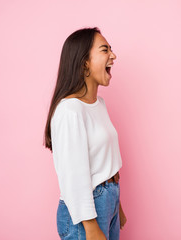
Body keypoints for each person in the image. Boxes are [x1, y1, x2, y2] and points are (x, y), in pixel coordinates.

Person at [43, 27, 127, 240]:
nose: (113, 55)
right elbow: (73, 176)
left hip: (108, 202)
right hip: (86, 212)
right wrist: (90, 227)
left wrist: (117, 206)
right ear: (84, 63)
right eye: (104, 50)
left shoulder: (98, 104)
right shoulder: (69, 111)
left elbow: (101, 161)